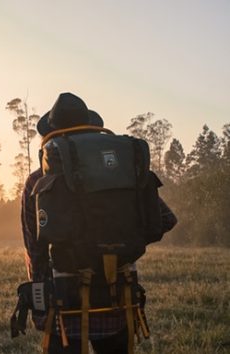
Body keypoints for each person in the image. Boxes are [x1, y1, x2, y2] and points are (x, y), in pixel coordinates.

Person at [20, 92, 177, 354]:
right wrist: (121, 241)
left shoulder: (37, 181)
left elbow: (35, 249)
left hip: (64, 305)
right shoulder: (123, 173)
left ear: (53, 134)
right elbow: (166, 220)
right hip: (118, 298)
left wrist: (39, 305)